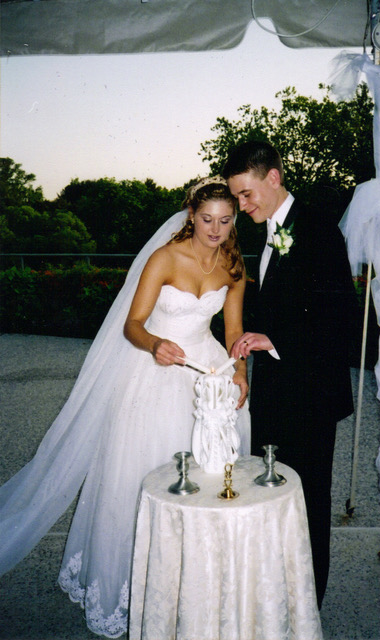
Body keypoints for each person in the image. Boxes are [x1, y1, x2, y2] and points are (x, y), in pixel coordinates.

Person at [0, 176, 250, 638]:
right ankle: (134, 585)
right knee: (141, 479)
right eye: (207, 219)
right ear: (191, 215)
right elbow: (132, 324)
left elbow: (233, 333)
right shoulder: (164, 258)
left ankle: (191, 584)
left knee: (205, 482)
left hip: (208, 376)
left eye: (225, 220)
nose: (215, 229)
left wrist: (240, 372)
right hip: (154, 375)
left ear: (234, 221)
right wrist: (155, 343)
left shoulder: (232, 266)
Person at [224, 141, 356, 609]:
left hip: (311, 399)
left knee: (308, 504)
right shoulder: (273, 232)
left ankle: (306, 609)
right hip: (279, 394)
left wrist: (272, 341)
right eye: (238, 197)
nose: (242, 205)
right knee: (275, 496)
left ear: (273, 178)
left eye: (246, 194)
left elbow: (338, 318)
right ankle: (280, 594)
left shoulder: (318, 229)